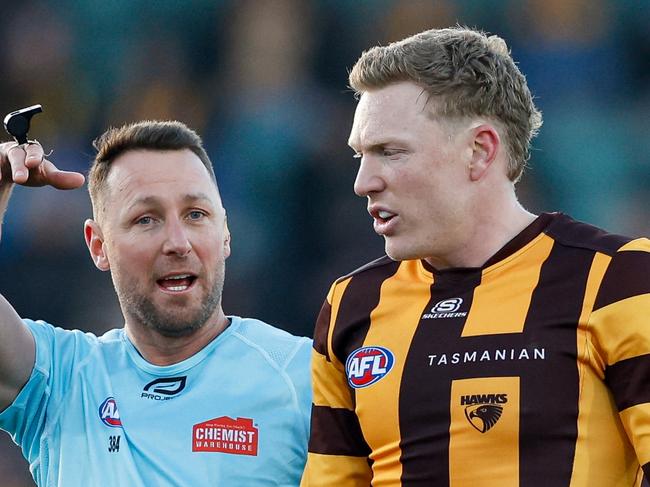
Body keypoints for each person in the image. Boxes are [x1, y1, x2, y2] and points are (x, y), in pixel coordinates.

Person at [301, 26, 650, 486]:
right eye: (360, 156)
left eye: (390, 152)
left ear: (479, 151)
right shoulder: (351, 305)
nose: (363, 182)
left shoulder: (617, 278)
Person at [0, 120, 312, 486]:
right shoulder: (60, 379)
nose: (178, 242)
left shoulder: (304, 376)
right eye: (146, 219)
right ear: (98, 246)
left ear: (225, 232)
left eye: (196, 214)